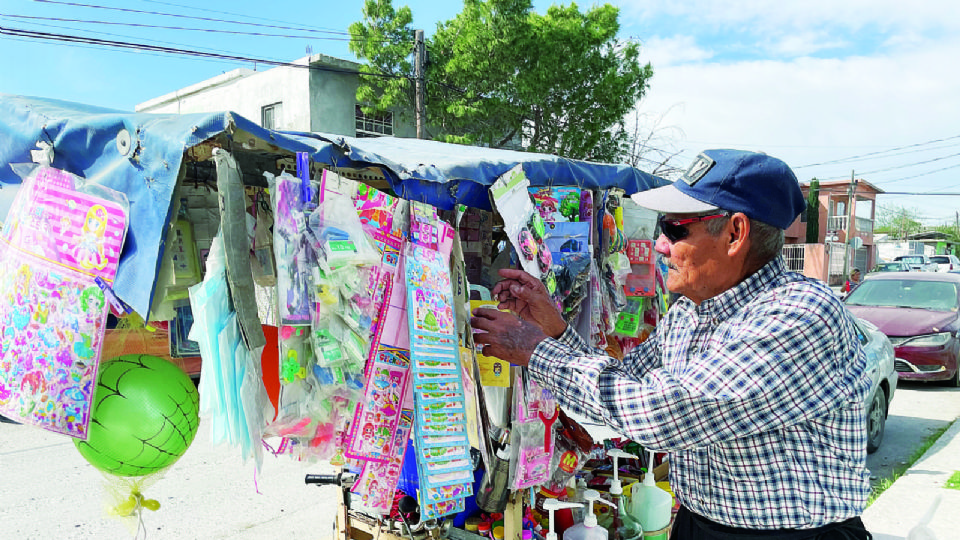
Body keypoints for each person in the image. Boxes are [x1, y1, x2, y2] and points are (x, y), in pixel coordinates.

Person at [471, 149, 873, 539]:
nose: (660, 245)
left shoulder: (798, 314)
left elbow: (661, 415)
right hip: (699, 524)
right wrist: (555, 328)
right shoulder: (691, 311)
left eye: (675, 228)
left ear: (735, 232)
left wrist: (538, 351)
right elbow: (622, 384)